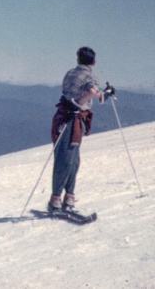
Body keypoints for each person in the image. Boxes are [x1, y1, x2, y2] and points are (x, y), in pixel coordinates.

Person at [49, 46, 108, 212]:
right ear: (93, 62)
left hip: (62, 116)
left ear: (78, 59)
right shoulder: (90, 76)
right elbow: (92, 91)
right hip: (73, 118)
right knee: (69, 159)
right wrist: (83, 102)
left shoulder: (70, 73)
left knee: (69, 157)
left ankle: (66, 196)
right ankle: (59, 197)